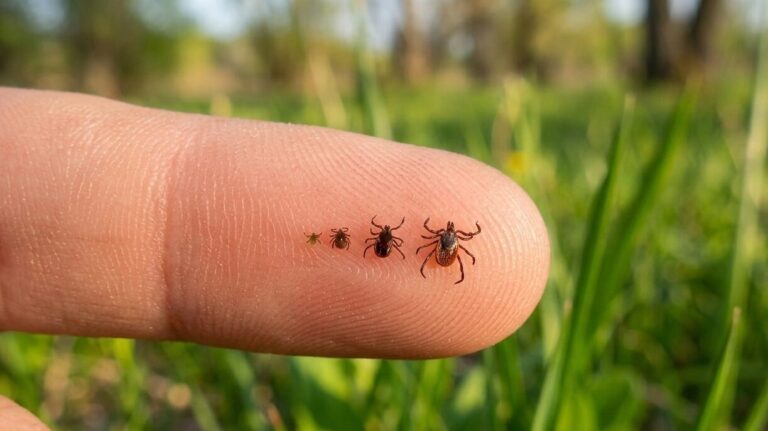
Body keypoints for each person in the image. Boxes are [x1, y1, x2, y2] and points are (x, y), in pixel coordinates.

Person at [0, 88, 550, 430]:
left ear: (450, 243)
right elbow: (423, 241)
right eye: (451, 238)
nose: (451, 240)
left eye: (452, 240)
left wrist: (417, 250)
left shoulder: (433, 243)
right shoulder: (435, 243)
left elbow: (424, 240)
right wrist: (416, 251)